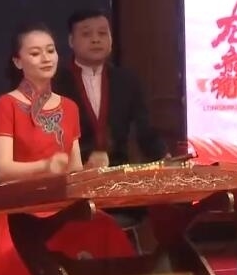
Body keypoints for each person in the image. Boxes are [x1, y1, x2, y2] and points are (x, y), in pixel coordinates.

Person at [0, 22, 143, 275]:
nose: (46, 58)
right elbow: (3, 170)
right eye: (35, 53)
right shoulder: (4, 106)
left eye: (50, 51)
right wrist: (45, 167)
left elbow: (74, 170)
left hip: (62, 206)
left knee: (104, 228)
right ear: (18, 61)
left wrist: (91, 169)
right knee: (24, 256)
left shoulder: (68, 107)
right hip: (19, 212)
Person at [52, 9, 169, 168]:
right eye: (86, 34)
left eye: (102, 33)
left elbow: (144, 128)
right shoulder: (56, 83)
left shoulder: (127, 81)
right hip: (72, 170)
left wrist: (163, 155)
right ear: (71, 41)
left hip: (119, 170)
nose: (96, 40)